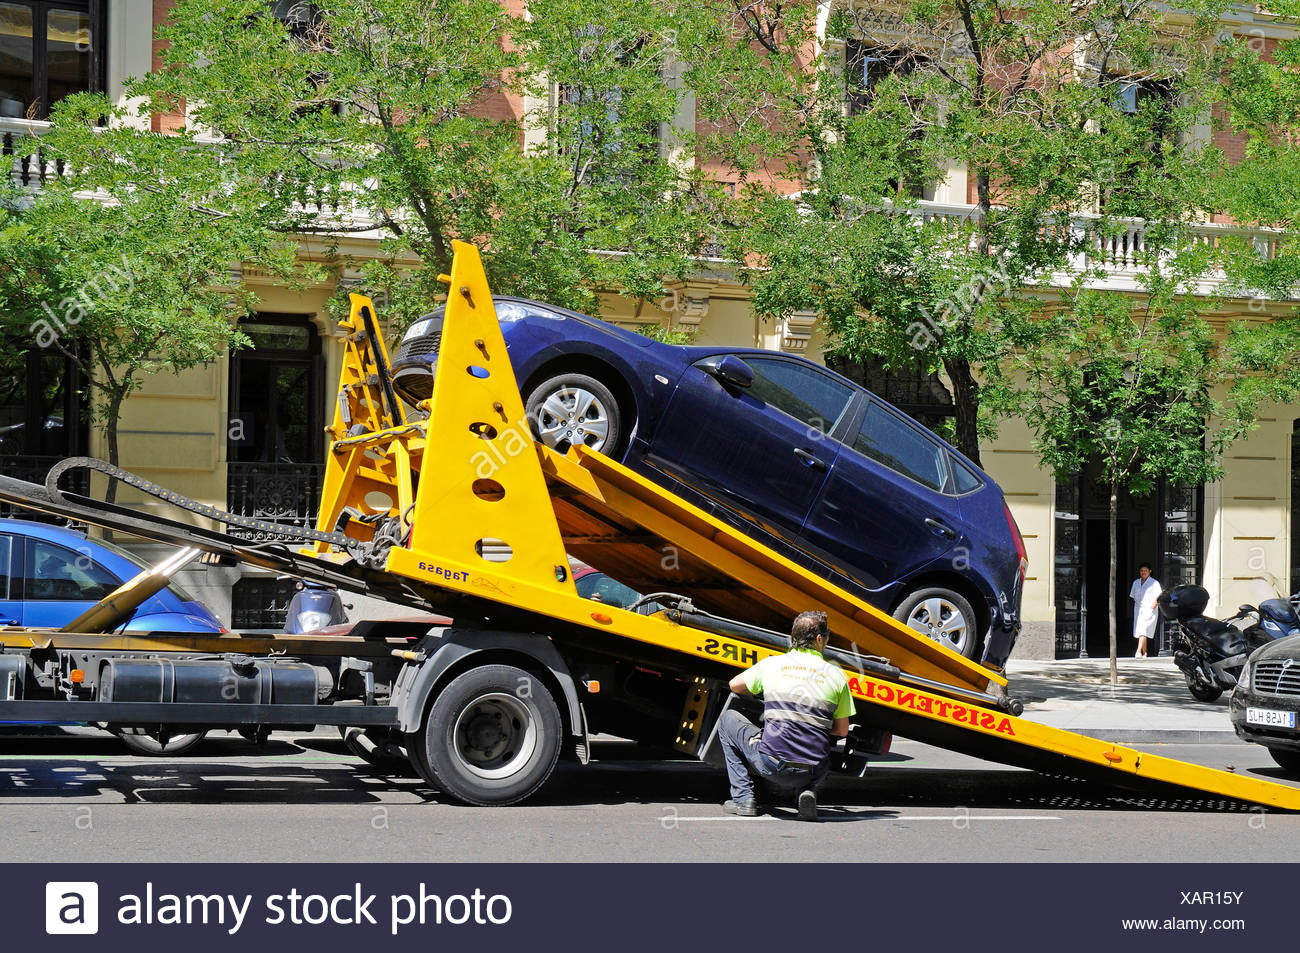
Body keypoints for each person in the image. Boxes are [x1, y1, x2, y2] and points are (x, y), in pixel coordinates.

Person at [717, 610, 854, 821]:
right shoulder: (837, 676)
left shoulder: (772, 665)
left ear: (793, 638)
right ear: (819, 639)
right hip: (813, 770)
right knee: (820, 738)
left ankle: (743, 798)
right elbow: (842, 731)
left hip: (772, 765)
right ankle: (807, 791)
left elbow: (734, 685)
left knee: (727, 720)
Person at [1129, 562, 1162, 658]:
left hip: (1150, 610)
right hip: (1139, 609)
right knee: (1141, 630)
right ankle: (1145, 652)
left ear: (1150, 571)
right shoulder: (1136, 582)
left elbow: (1158, 596)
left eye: (1145, 571)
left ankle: (1138, 651)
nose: (1143, 572)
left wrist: (1152, 607)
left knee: (1143, 630)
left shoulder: (1154, 583)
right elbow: (1133, 596)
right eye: (1142, 571)